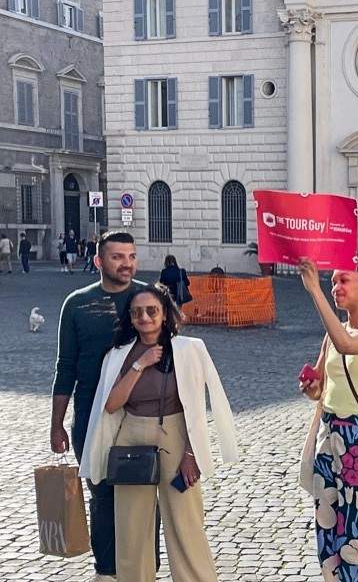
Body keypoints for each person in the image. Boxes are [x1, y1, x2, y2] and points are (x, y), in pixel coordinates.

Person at [79, 283, 238, 582]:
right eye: (137, 312)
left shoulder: (189, 349)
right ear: (130, 317)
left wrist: (191, 453)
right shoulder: (119, 355)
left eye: (152, 310)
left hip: (176, 438)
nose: (145, 317)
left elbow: (195, 407)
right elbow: (111, 405)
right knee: (131, 529)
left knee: (186, 525)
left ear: (165, 314)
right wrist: (140, 364)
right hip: (131, 438)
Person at [50, 231, 153, 581]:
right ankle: (106, 571)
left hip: (140, 415)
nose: (126, 263)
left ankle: (142, 569)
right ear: (98, 261)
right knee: (102, 494)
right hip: (90, 417)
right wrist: (56, 423)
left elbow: (169, 352)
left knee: (142, 492)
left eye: (131, 256)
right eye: (117, 257)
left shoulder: (146, 298)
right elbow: (65, 367)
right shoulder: (77, 304)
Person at [298, 257, 358, 581]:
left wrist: (313, 289)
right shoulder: (335, 333)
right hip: (330, 437)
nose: (335, 287)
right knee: (329, 534)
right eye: (332, 281)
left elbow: (347, 344)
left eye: (343, 281)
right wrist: (312, 387)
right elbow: (321, 388)